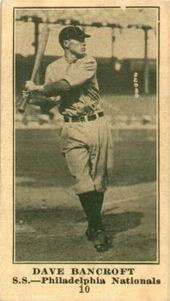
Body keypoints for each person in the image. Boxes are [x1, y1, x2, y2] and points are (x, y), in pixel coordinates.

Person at [25, 25, 113, 252]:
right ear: (66, 43)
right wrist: (32, 97)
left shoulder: (88, 62)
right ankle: (98, 227)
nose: (84, 42)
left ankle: (94, 226)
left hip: (97, 124)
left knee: (98, 181)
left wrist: (39, 87)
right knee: (82, 180)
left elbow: (65, 85)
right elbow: (51, 101)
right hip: (72, 128)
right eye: (79, 39)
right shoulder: (53, 68)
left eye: (84, 39)